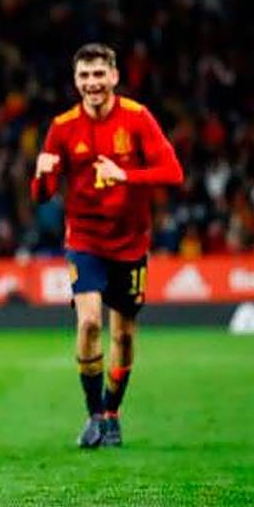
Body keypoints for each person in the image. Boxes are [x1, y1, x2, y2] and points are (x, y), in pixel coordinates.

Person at [31, 43, 184, 448]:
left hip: (131, 242)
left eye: (99, 74)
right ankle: (94, 414)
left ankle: (113, 413)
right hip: (84, 238)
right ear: (75, 80)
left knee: (125, 336)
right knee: (89, 322)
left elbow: (173, 171)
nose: (92, 83)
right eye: (84, 76)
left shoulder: (137, 118)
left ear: (114, 76)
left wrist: (126, 176)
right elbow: (42, 195)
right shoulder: (62, 126)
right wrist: (42, 176)